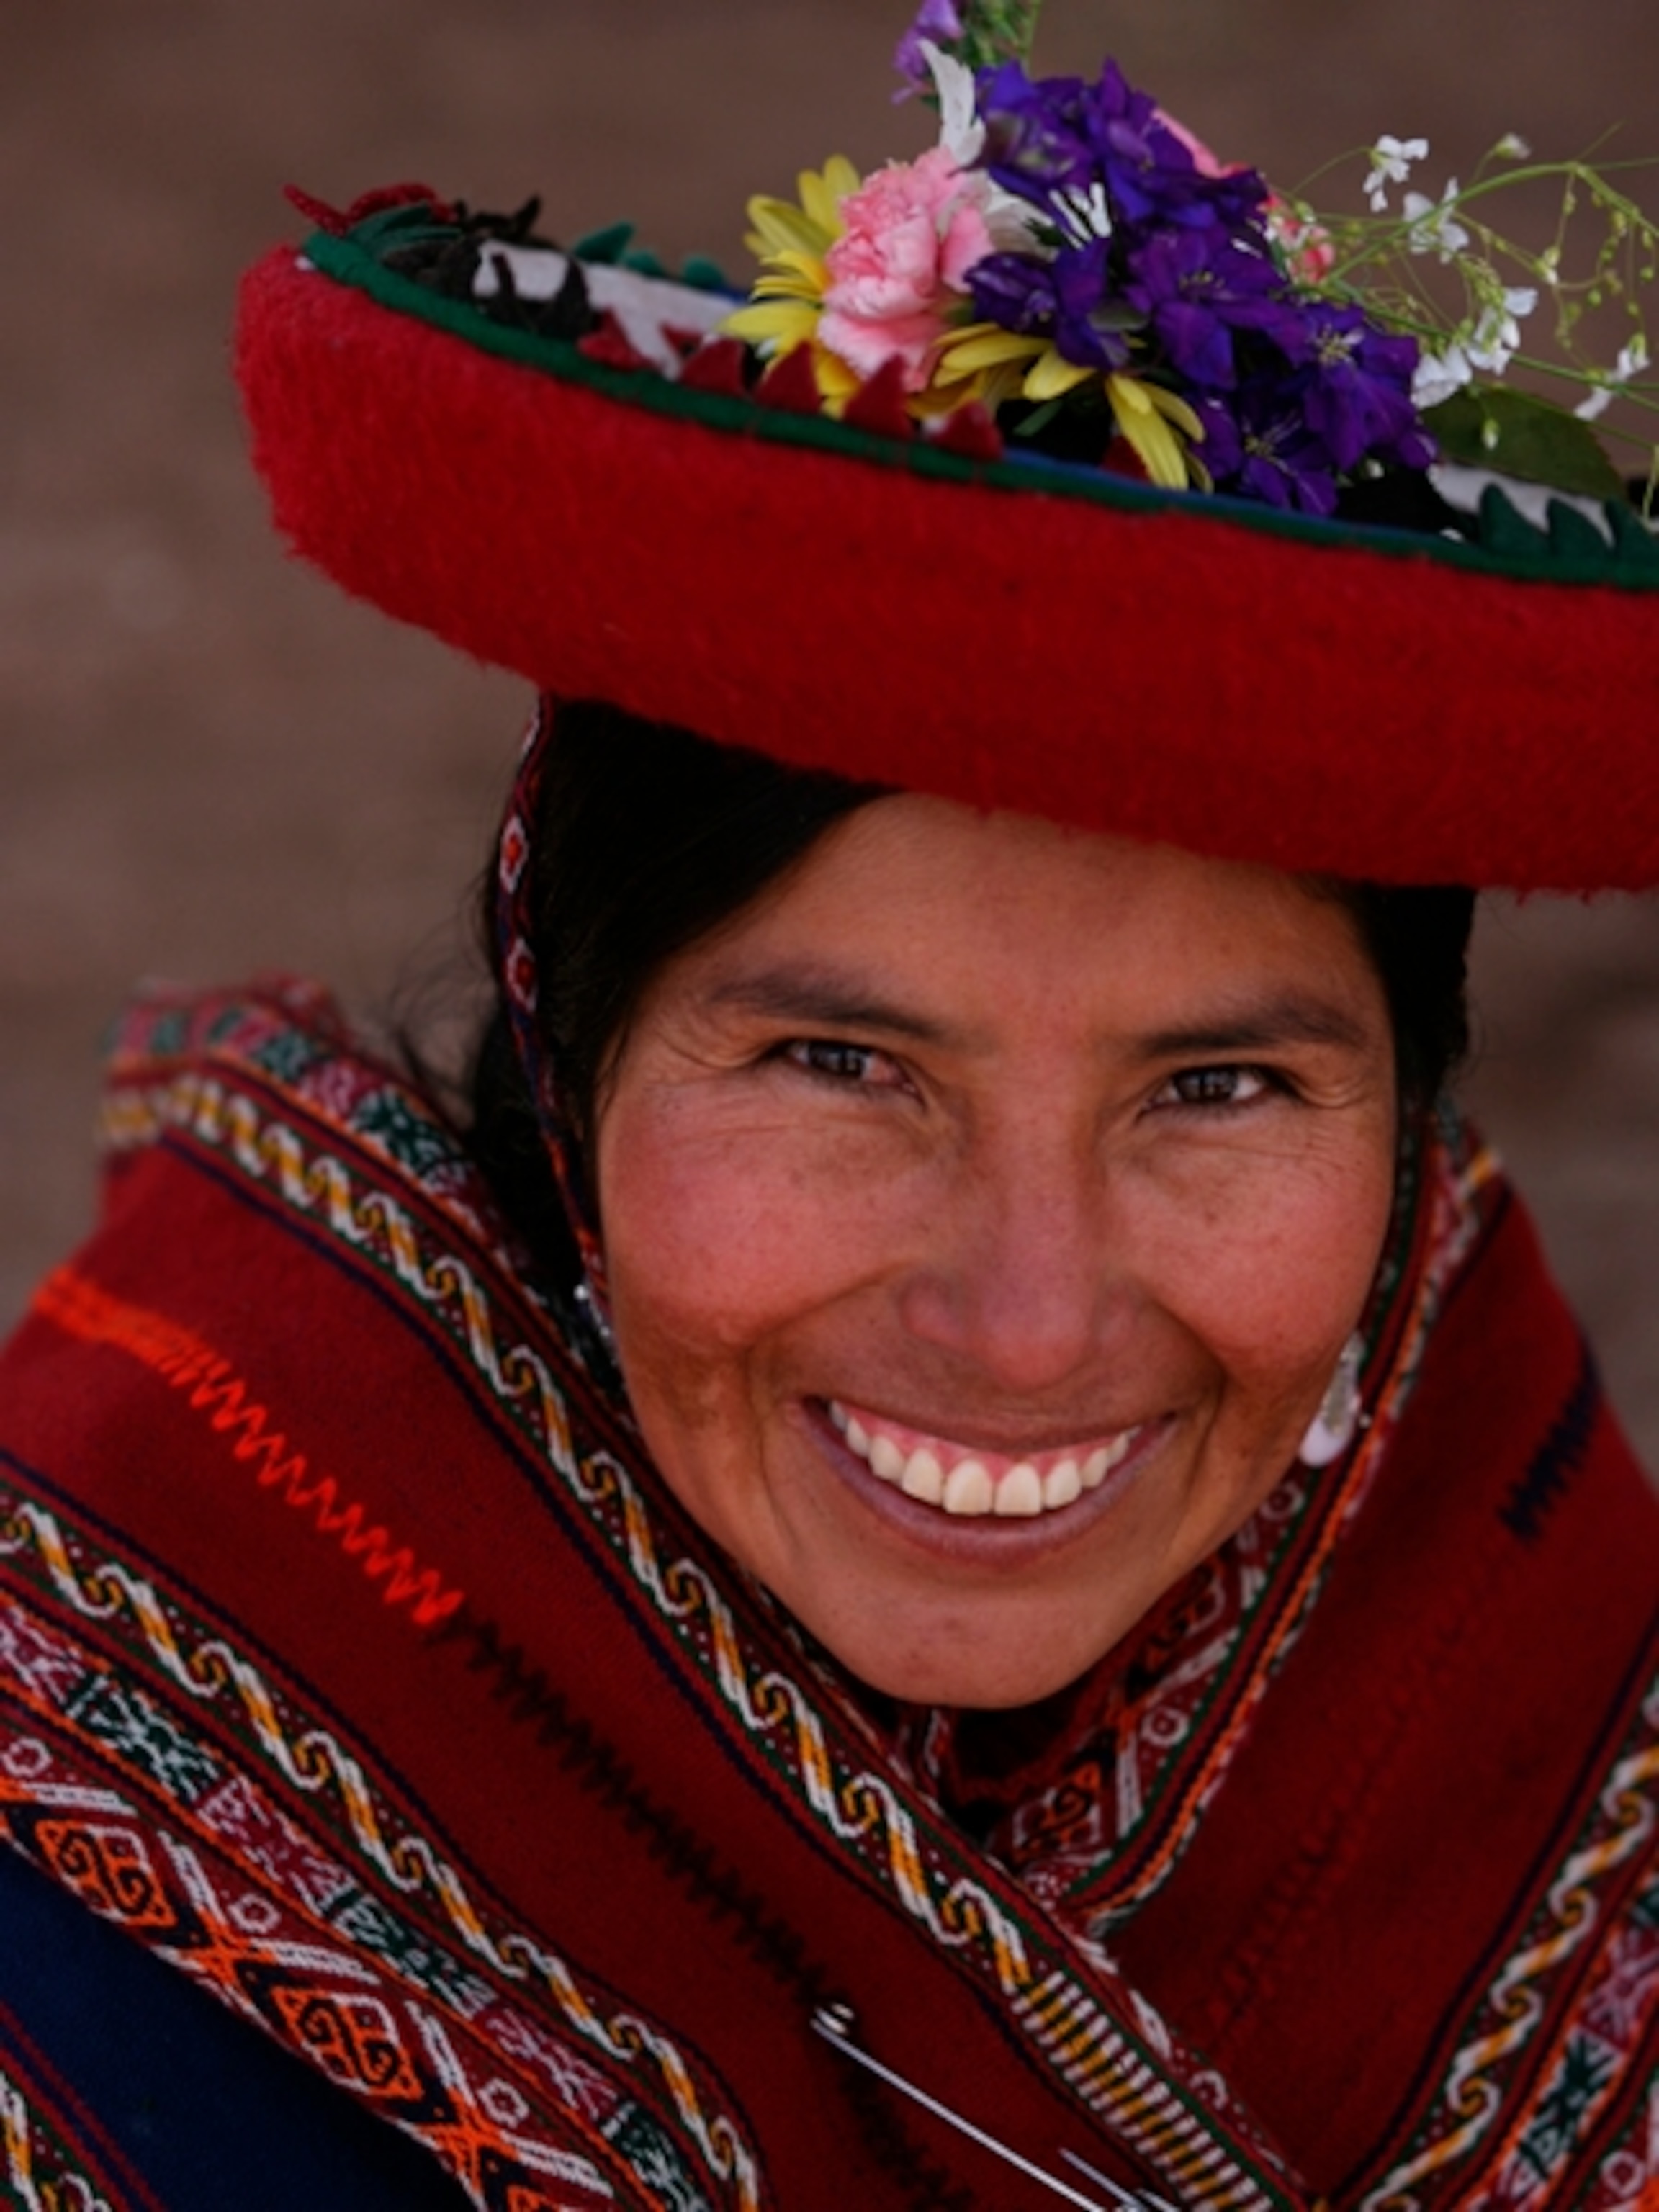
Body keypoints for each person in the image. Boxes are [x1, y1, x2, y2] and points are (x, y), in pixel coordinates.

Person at [1, 12, 1655, 2208]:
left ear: (1409, 1132)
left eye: (1222, 1087)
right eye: (843, 1066)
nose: (1030, 1321)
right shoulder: (83, 1861)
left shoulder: (1531, 1640)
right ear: (571, 1052)